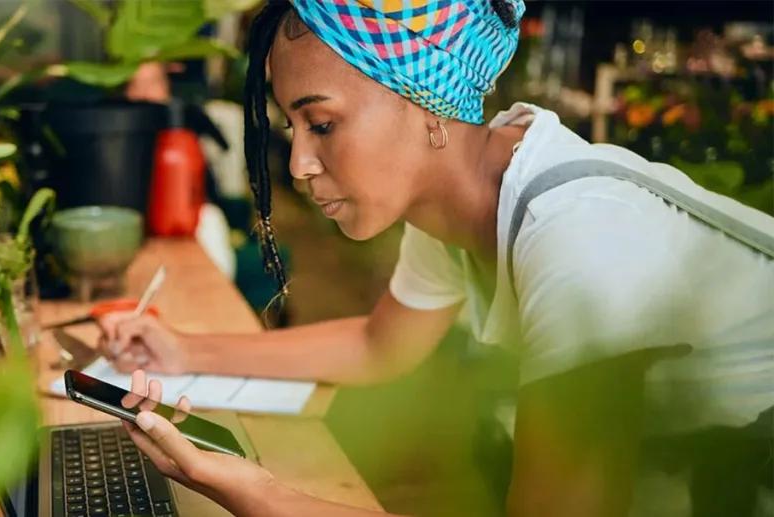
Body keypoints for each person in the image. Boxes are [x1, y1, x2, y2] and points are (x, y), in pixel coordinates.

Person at [101, 1, 774, 516]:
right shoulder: (458, 197)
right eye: (291, 127)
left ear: (426, 102)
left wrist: (262, 494)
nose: (300, 164)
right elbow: (378, 345)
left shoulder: (581, 234)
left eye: (323, 123)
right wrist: (181, 349)